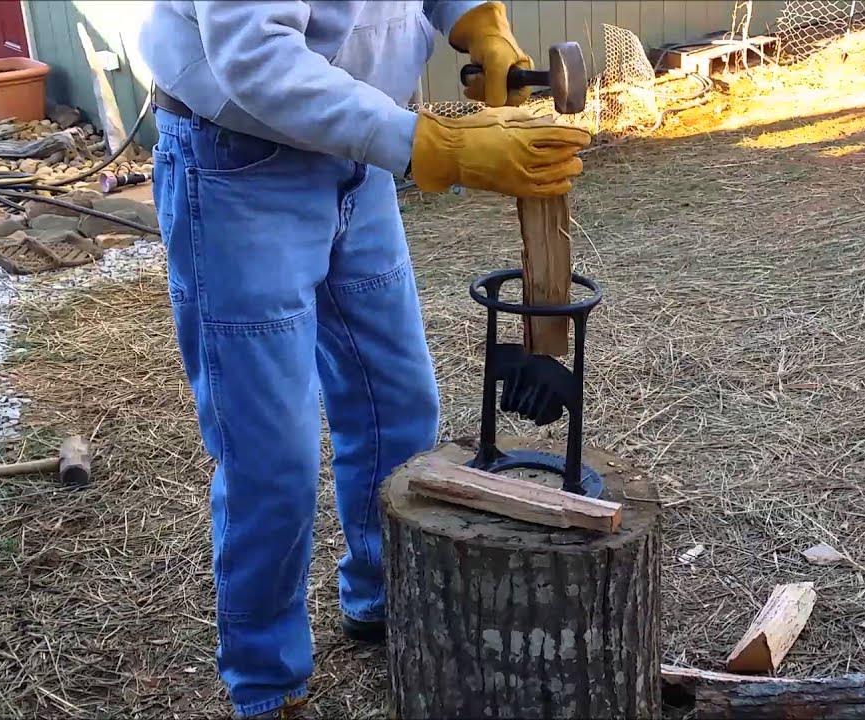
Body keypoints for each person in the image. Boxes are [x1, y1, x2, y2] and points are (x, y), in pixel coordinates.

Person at [138, 2, 590, 717]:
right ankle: (268, 684)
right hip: (238, 163)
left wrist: (481, 24)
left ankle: (388, 598)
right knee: (272, 457)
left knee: (398, 406)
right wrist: (430, 145)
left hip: (359, 154)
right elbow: (254, 55)